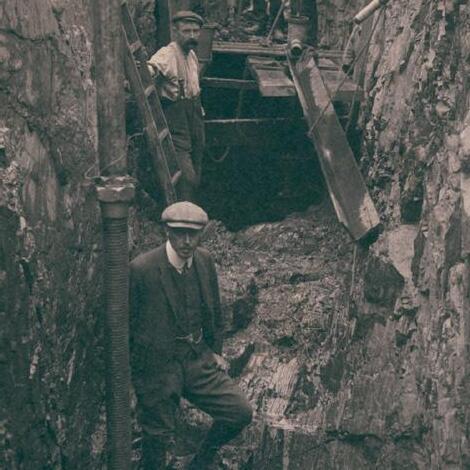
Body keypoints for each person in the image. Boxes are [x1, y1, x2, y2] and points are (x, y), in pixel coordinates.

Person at [129, 201, 253, 469]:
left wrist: (215, 351)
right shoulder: (141, 269)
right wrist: (137, 377)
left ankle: (199, 463)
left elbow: (214, 311)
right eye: (179, 233)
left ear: (201, 233)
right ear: (167, 231)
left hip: (197, 360)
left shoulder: (204, 261)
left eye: (193, 234)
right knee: (157, 436)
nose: (186, 241)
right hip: (158, 368)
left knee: (239, 411)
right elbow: (127, 326)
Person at [147, 11, 206, 203]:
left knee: (198, 162)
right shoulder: (168, 54)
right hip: (176, 119)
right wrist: (147, 73)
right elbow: (150, 68)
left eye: (195, 31)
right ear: (175, 31)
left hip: (194, 116)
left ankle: (193, 208)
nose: (192, 36)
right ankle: (183, 211)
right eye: (186, 31)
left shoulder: (192, 55)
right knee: (186, 174)